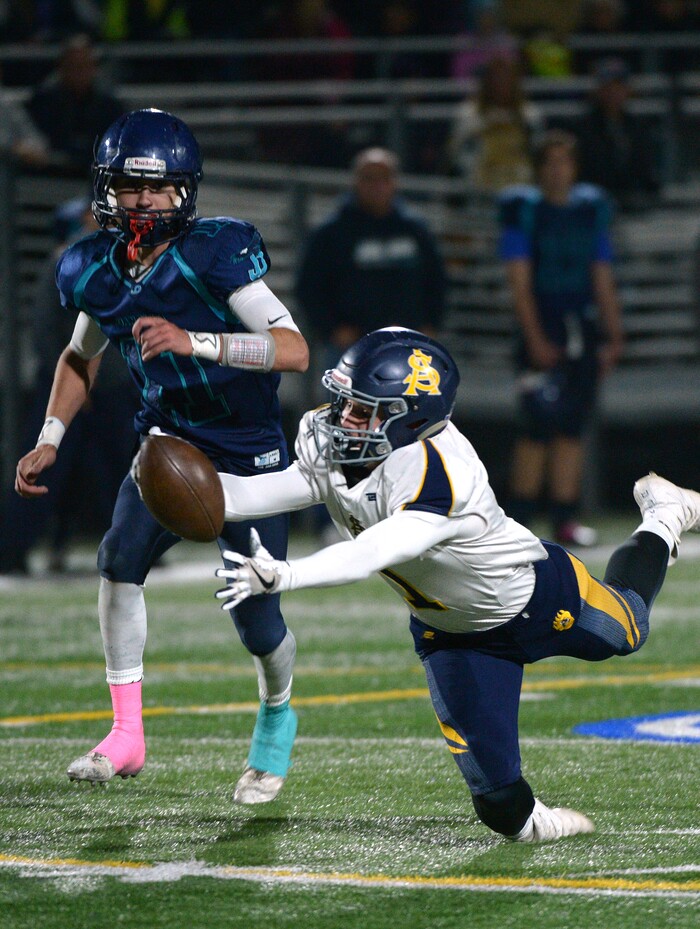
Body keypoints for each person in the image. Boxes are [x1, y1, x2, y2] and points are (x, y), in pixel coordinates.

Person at [187, 325, 700, 844]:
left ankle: (663, 516)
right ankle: (543, 823)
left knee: (627, 629)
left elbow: (372, 553)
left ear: (409, 419)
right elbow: (259, 492)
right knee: (503, 810)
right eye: (345, 402)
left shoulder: (441, 471)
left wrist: (286, 573)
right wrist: (168, 486)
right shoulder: (340, 444)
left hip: (533, 597)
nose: (342, 418)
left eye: (363, 410)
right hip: (450, 635)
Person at [14, 108, 309, 804]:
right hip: (167, 445)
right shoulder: (95, 268)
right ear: (106, 188)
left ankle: (277, 713)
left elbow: (294, 350)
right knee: (118, 559)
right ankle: (126, 733)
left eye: (156, 187)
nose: (142, 201)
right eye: (129, 186)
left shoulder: (214, 253)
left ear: (184, 191)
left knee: (257, 618)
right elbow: (79, 356)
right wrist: (50, 437)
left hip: (248, 457)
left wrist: (194, 341)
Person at [498, 129, 625, 547]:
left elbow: (601, 273)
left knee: (572, 426)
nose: (557, 170)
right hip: (543, 321)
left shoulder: (590, 209)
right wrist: (534, 335)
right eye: (550, 162)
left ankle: (565, 519)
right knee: (536, 426)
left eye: (564, 161)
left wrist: (613, 331)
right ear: (538, 169)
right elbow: (519, 282)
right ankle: (518, 521)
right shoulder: (524, 210)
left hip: (580, 325)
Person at [0, 198, 138, 576]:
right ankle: (11, 551)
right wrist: (78, 384)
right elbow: (48, 332)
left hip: (109, 388)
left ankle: (136, 548)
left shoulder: (120, 260)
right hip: (72, 385)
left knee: (120, 471)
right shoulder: (69, 261)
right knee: (45, 467)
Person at [296, 146, 447, 384]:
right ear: (355, 182)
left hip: (408, 349)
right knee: (347, 407)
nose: (377, 186)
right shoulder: (333, 232)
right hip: (351, 350)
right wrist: (332, 330)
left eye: (384, 178)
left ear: (395, 182)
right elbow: (309, 286)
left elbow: (436, 281)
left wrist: (431, 326)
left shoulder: (415, 229)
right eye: (369, 178)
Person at [26, 33, 125, 176]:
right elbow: (33, 141)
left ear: (93, 68)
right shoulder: (43, 101)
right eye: (72, 66)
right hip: (50, 174)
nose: (78, 72)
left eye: (83, 66)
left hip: (97, 174)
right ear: (61, 68)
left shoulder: (109, 105)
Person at [445, 56, 544, 195]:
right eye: (496, 79)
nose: (500, 85)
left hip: (520, 185)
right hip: (478, 188)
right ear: (486, 83)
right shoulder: (468, 114)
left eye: (506, 79)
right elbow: (456, 155)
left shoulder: (529, 115)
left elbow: (538, 154)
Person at [575, 58, 661, 210]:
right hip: (593, 205)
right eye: (608, 86)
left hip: (634, 204)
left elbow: (646, 171)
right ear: (599, 90)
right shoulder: (584, 127)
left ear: (628, 90)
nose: (613, 92)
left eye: (619, 86)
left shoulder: (638, 126)